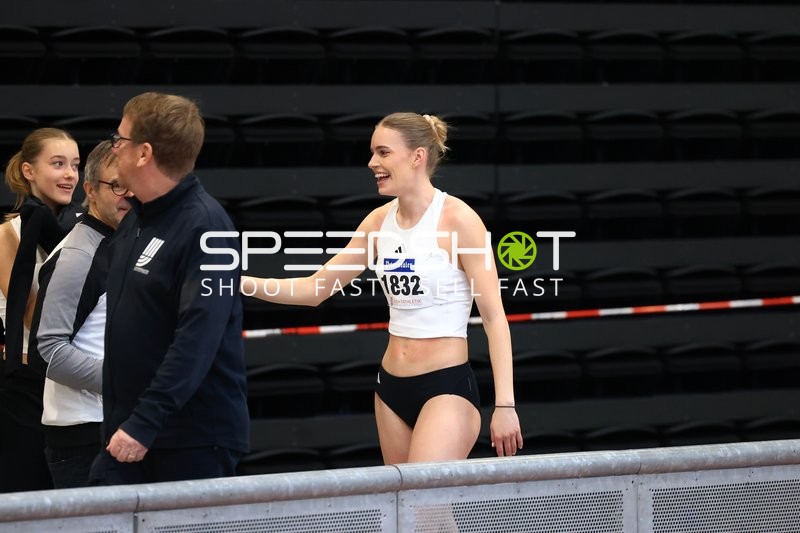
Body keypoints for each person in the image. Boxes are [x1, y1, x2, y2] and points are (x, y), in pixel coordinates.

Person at [242, 112, 523, 464]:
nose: (373, 162)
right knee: (410, 515)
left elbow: (495, 318)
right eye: (373, 152)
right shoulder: (377, 222)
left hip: (445, 387)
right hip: (390, 388)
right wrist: (240, 283)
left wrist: (505, 405)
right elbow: (316, 289)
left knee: (423, 506)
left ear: (417, 157)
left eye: (384, 152)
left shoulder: (459, 219)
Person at [91, 92, 249, 485]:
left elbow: (198, 338)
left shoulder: (208, 228)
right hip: (127, 431)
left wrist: (145, 421)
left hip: (189, 440)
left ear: (143, 153)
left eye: (120, 139)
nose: (114, 147)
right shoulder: (135, 220)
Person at [28, 140, 132, 488]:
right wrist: (128, 381)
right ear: (89, 189)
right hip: (88, 437)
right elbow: (48, 352)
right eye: (117, 185)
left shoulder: (124, 242)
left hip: (116, 425)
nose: (128, 195)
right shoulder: (78, 255)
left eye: (134, 183)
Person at [0, 127, 82, 492]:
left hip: (71, 380)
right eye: (58, 164)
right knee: (27, 488)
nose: (70, 175)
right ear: (29, 171)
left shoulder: (83, 231)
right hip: (25, 383)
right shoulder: (7, 233)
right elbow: (33, 315)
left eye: (76, 166)